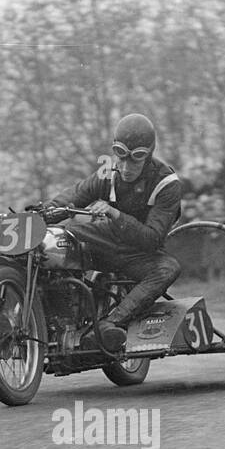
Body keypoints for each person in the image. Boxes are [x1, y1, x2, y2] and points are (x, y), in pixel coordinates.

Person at [45, 112, 183, 352]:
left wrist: (115, 214)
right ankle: (58, 318)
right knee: (58, 236)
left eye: (136, 159)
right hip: (104, 242)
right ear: (115, 151)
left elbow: (152, 239)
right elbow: (74, 196)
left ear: (148, 156)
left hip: (140, 253)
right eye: (121, 156)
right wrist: (41, 213)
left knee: (168, 268)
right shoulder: (107, 172)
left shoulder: (167, 184)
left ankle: (111, 324)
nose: (126, 167)